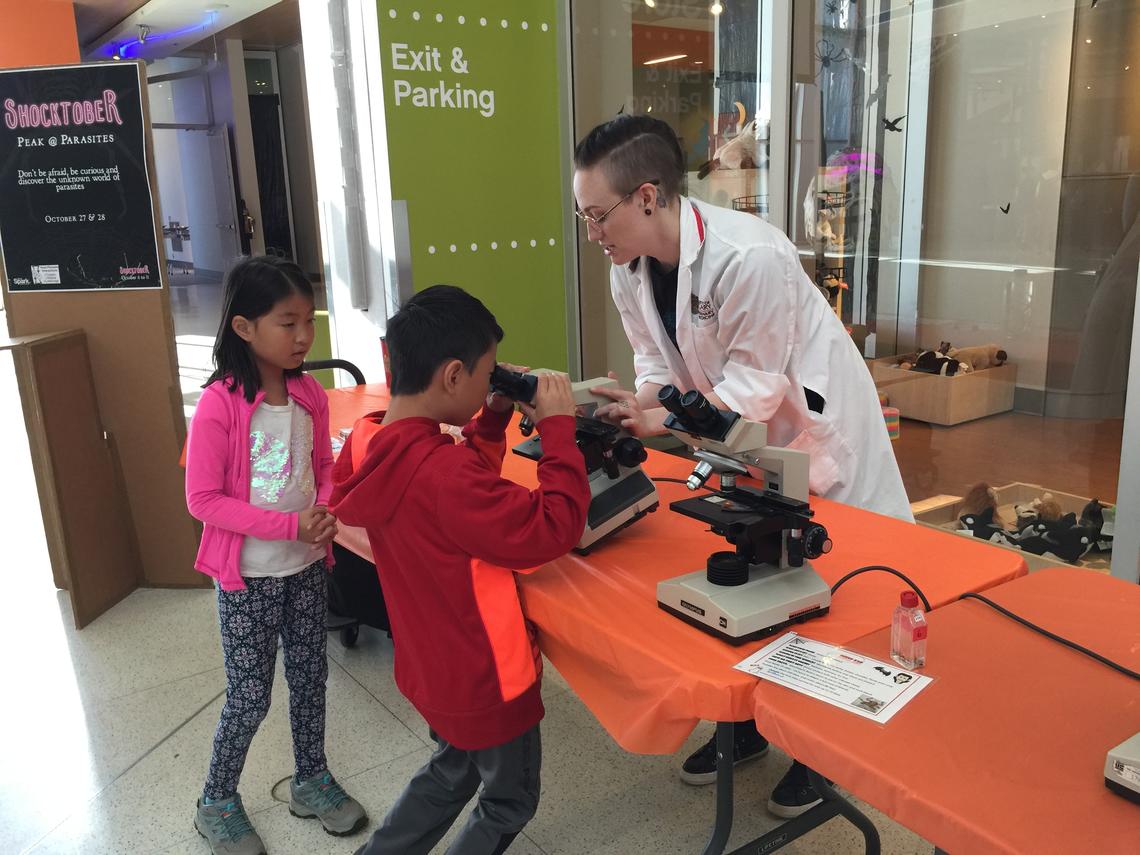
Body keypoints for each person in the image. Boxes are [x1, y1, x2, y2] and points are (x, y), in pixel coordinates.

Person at [572, 114, 913, 818]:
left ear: (646, 196)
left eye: (598, 215)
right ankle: (746, 727)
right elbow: (653, 367)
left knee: (830, 594)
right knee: (753, 565)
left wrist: (660, 416)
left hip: (814, 439)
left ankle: (820, 752)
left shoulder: (750, 258)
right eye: (582, 217)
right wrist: (630, 404)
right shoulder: (628, 272)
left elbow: (753, 393)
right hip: (738, 442)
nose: (592, 234)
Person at [330, 285, 591, 855]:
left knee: (451, 771)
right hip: (487, 678)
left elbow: (455, 496)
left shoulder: (373, 444)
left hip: (431, 666)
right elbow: (555, 527)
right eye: (487, 374)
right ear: (453, 376)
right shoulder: (445, 477)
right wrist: (558, 429)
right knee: (508, 802)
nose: (489, 383)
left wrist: (492, 419)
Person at [185, 256, 367, 855]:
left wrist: (325, 507)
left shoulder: (310, 393)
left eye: (307, 322)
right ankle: (216, 799)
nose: (304, 337)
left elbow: (323, 470)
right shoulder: (220, 403)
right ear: (244, 328)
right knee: (249, 695)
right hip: (249, 578)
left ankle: (311, 779)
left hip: (307, 568)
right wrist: (288, 521)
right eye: (287, 324)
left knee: (310, 679)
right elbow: (203, 499)